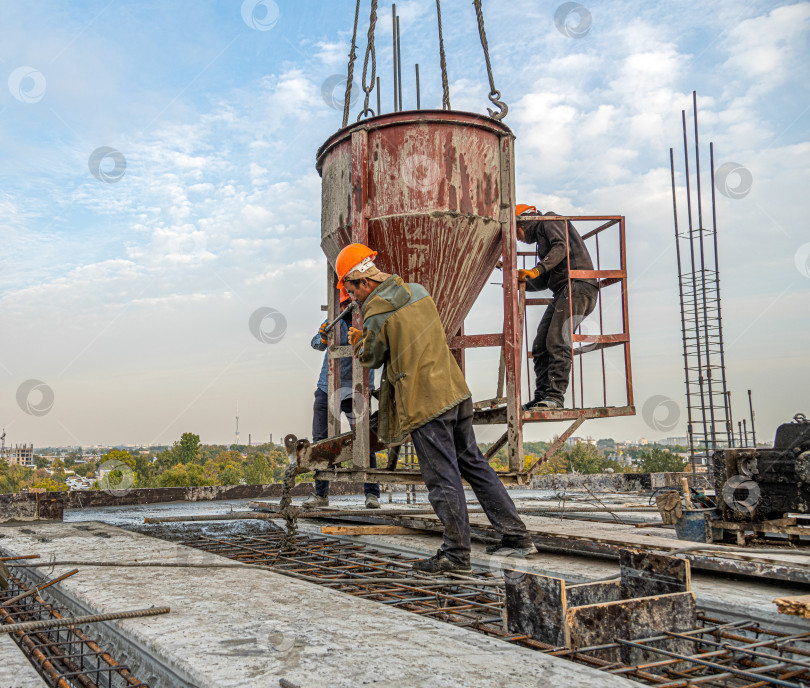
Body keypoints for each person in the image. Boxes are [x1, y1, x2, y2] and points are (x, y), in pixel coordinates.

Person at [335, 243, 537, 575]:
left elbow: (373, 356)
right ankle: (516, 536)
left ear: (363, 281)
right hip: (455, 392)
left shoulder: (376, 309)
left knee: (441, 477)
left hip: (425, 402)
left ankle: (457, 555)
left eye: (352, 289)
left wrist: (359, 340)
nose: (353, 297)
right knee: (474, 465)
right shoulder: (419, 291)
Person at [303, 286, 381, 509]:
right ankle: (321, 494)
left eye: (349, 302)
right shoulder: (334, 320)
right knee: (320, 441)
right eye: (344, 303)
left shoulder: (369, 318)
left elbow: (379, 347)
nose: (347, 306)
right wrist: (322, 336)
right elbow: (316, 344)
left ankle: (372, 494)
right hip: (328, 386)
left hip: (357, 387)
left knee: (364, 440)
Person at [515, 204, 599, 411]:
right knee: (540, 345)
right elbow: (544, 280)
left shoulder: (550, 221)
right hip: (564, 290)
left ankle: (554, 397)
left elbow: (561, 248)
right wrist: (521, 281)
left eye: (515, 231)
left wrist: (537, 269)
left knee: (557, 339)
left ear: (524, 221)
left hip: (578, 287)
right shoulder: (542, 239)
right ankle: (542, 395)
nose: (517, 239)